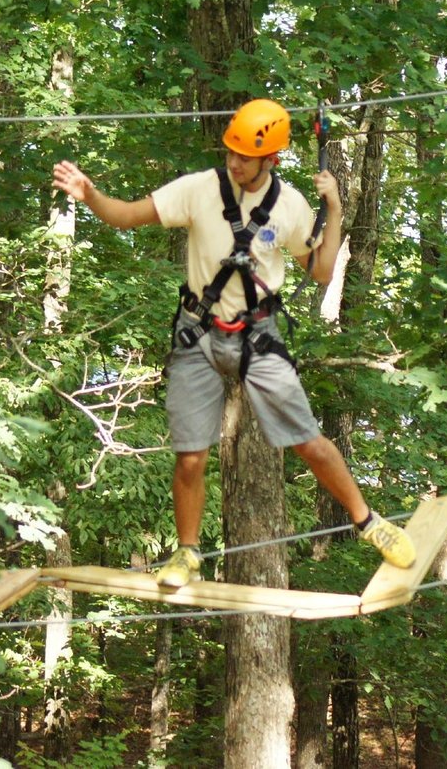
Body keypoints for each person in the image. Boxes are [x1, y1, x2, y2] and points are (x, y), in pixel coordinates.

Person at [51, 98, 415, 589]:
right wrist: (91, 195)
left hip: (257, 335)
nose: (235, 162)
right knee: (191, 456)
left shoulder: (288, 206)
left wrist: (336, 209)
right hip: (197, 332)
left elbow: (322, 270)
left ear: (272, 160)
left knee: (307, 441)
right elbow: (127, 216)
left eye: (245, 156)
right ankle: (186, 553)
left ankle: (368, 522)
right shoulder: (199, 189)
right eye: (231, 152)